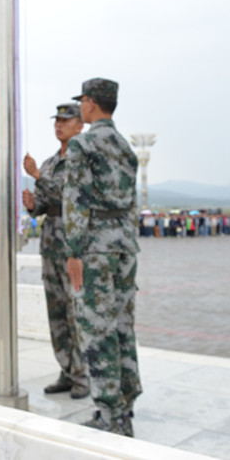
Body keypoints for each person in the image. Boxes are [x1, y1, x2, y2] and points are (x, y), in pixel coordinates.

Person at [64, 78, 142, 437]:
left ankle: (109, 415)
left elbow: (76, 198)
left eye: (83, 101)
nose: (81, 107)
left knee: (97, 329)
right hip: (124, 247)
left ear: (91, 103)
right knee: (123, 326)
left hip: (95, 248)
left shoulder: (83, 144)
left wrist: (74, 250)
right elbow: (131, 204)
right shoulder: (125, 146)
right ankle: (124, 409)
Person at [22, 102, 89, 400]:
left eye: (66, 120)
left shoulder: (83, 159)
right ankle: (66, 370)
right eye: (56, 120)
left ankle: (83, 374)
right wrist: (33, 205)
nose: (58, 125)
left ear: (80, 125)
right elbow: (46, 203)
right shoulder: (50, 162)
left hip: (74, 247)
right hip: (50, 245)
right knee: (57, 312)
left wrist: (38, 176)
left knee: (77, 312)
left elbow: (73, 196)